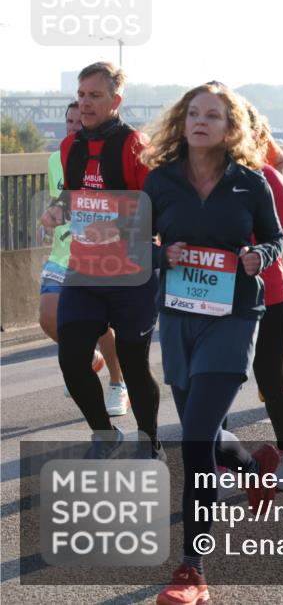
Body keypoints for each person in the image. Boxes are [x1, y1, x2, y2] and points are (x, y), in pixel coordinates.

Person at [143, 82, 283, 605]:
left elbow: (276, 238)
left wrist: (259, 258)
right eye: (195, 114)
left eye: (215, 115)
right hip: (179, 318)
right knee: (203, 432)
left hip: (233, 317)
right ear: (183, 123)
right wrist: (165, 257)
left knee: (195, 439)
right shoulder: (159, 182)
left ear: (231, 129)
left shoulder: (252, 183)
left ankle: (191, 571)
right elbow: (135, 244)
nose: (202, 121)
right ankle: (255, 466)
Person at [39, 62, 162, 459]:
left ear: (115, 100)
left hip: (131, 277)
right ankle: (105, 436)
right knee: (72, 360)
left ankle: (149, 441)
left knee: (135, 366)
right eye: (81, 95)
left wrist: (117, 228)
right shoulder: (69, 145)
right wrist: (57, 210)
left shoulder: (134, 146)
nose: (86, 103)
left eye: (95, 95)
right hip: (84, 272)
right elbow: (74, 196)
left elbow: (158, 210)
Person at [39, 101, 128, 411]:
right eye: (69, 121)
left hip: (97, 255)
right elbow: (61, 200)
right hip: (64, 251)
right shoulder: (55, 159)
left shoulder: (105, 157)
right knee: (48, 317)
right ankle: (86, 357)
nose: (73, 127)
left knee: (100, 324)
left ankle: (118, 383)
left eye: (79, 122)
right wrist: (52, 213)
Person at [248, 103, 283, 486]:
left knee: (268, 379)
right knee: (214, 380)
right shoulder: (198, 177)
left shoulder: (268, 175)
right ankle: (219, 462)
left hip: (269, 294)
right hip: (218, 297)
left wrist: (256, 248)